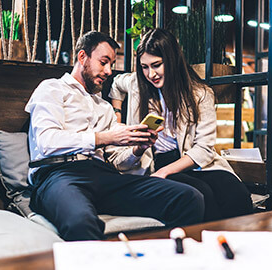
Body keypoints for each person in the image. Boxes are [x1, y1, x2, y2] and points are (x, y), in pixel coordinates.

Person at [25, 31, 204, 241]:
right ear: (82, 57)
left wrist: (138, 148)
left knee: (189, 197)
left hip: (105, 176)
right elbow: (47, 142)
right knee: (80, 222)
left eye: (111, 64)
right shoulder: (52, 89)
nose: (108, 71)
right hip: (58, 175)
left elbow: (119, 162)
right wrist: (106, 137)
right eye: (103, 62)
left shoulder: (105, 108)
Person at [110, 28, 253, 221]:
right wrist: (117, 116)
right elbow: (116, 84)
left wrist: (166, 171)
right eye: (144, 67)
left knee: (235, 192)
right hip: (156, 161)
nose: (150, 74)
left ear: (172, 60)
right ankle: (207, 244)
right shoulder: (137, 84)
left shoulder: (200, 94)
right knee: (202, 195)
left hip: (191, 161)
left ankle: (237, 244)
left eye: (156, 65)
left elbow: (204, 149)